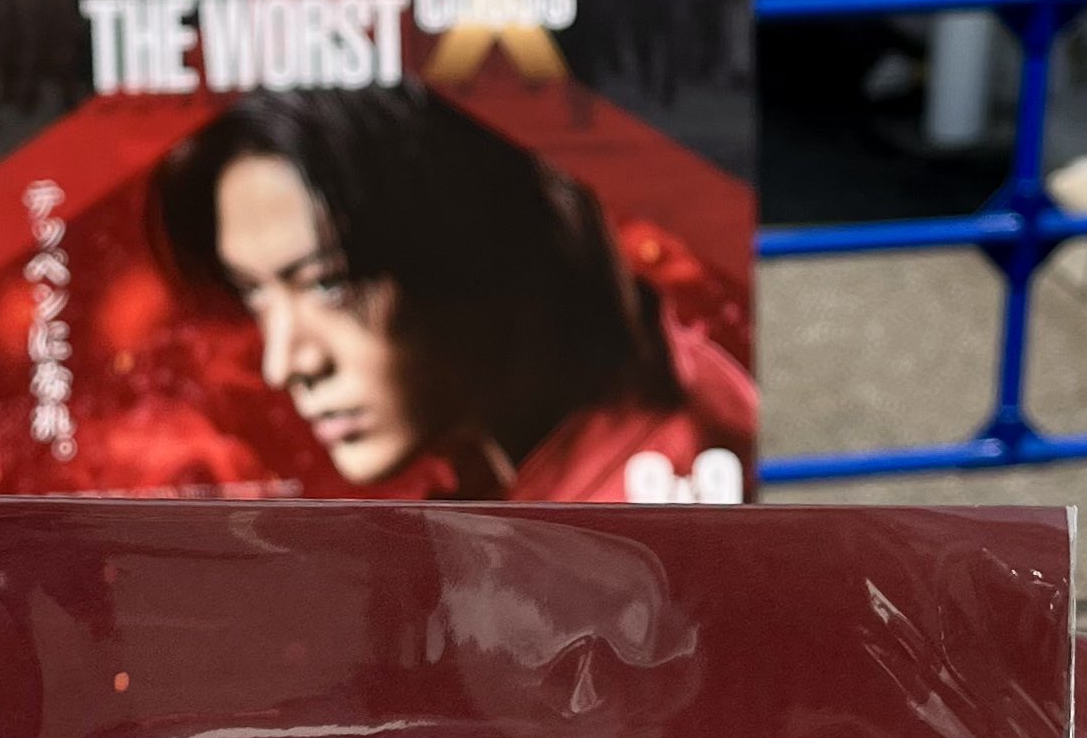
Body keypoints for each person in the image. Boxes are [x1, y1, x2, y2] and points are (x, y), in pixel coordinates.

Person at [150, 81, 755, 503]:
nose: (285, 364)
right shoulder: (531, 452)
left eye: (331, 284)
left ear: (475, 239)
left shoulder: (643, 512)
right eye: (255, 294)